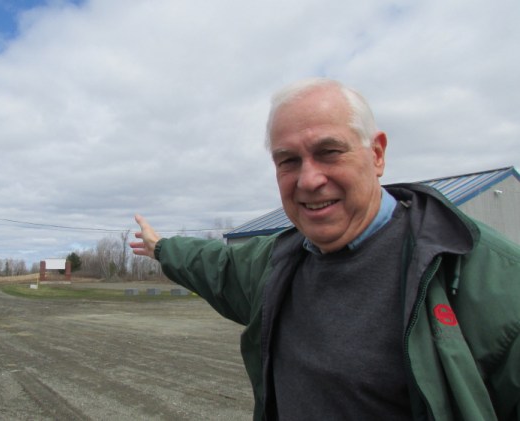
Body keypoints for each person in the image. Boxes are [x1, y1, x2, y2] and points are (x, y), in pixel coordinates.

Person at [130, 78, 520, 420]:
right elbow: (215, 264)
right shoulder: (275, 262)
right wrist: (163, 247)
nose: (309, 179)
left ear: (377, 154)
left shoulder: (490, 279)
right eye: (288, 161)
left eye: (329, 152)